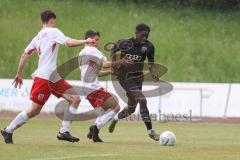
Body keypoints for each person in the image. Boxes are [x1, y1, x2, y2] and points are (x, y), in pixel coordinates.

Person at [1, 10, 94, 144]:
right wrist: (86, 40)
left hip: (53, 77)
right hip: (44, 77)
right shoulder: (53, 31)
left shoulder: (37, 37)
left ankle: (63, 132)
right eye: (55, 21)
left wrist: (19, 74)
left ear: (42, 21)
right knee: (35, 110)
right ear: (52, 20)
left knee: (75, 99)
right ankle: (8, 130)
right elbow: (69, 43)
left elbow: (24, 55)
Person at [78, 30, 132, 142]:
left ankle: (94, 134)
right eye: (96, 39)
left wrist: (110, 72)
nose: (98, 42)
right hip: (93, 87)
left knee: (104, 110)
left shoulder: (82, 53)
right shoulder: (93, 51)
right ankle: (95, 128)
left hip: (86, 88)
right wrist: (121, 62)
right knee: (116, 107)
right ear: (90, 39)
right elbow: (105, 64)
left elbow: (97, 72)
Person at [108, 23, 160, 141]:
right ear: (136, 33)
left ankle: (115, 119)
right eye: (142, 35)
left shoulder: (149, 46)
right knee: (142, 100)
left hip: (138, 78)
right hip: (124, 77)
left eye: (147, 36)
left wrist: (153, 74)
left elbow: (151, 62)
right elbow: (112, 51)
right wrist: (116, 65)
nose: (145, 38)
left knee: (131, 108)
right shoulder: (124, 43)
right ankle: (151, 131)